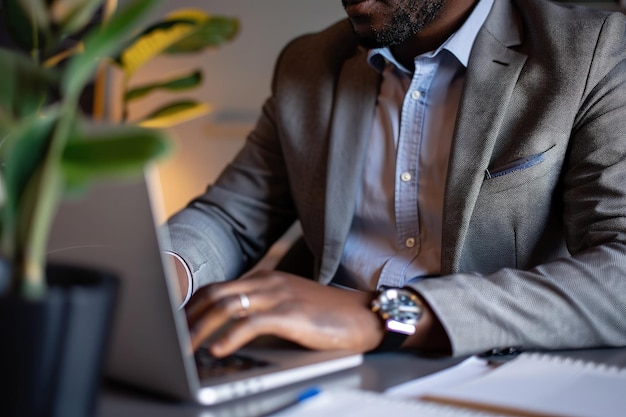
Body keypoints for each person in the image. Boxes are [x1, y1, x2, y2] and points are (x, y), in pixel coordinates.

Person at [165, 0, 626, 358]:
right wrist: (168, 270)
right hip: (317, 365)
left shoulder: (592, 51)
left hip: (482, 366)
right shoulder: (307, 64)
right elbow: (229, 216)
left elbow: (618, 270)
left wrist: (386, 314)